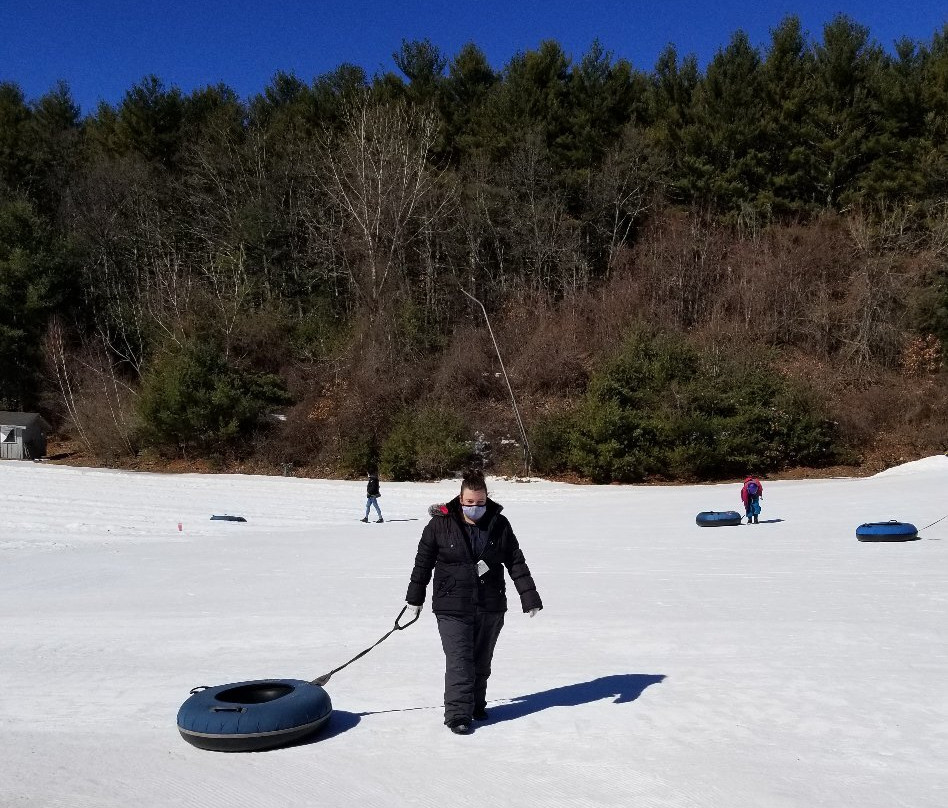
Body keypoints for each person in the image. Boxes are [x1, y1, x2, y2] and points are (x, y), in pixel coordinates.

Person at [404, 469, 542, 735]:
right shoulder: (439, 525)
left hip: (490, 603)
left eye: (480, 503)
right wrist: (414, 599)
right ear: (460, 498)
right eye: (469, 503)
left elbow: (515, 561)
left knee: (481, 660)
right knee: (460, 661)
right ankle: (457, 715)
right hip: (451, 605)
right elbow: (423, 564)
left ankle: (476, 705)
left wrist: (529, 596)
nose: (475, 507)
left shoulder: (499, 524)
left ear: (487, 499)